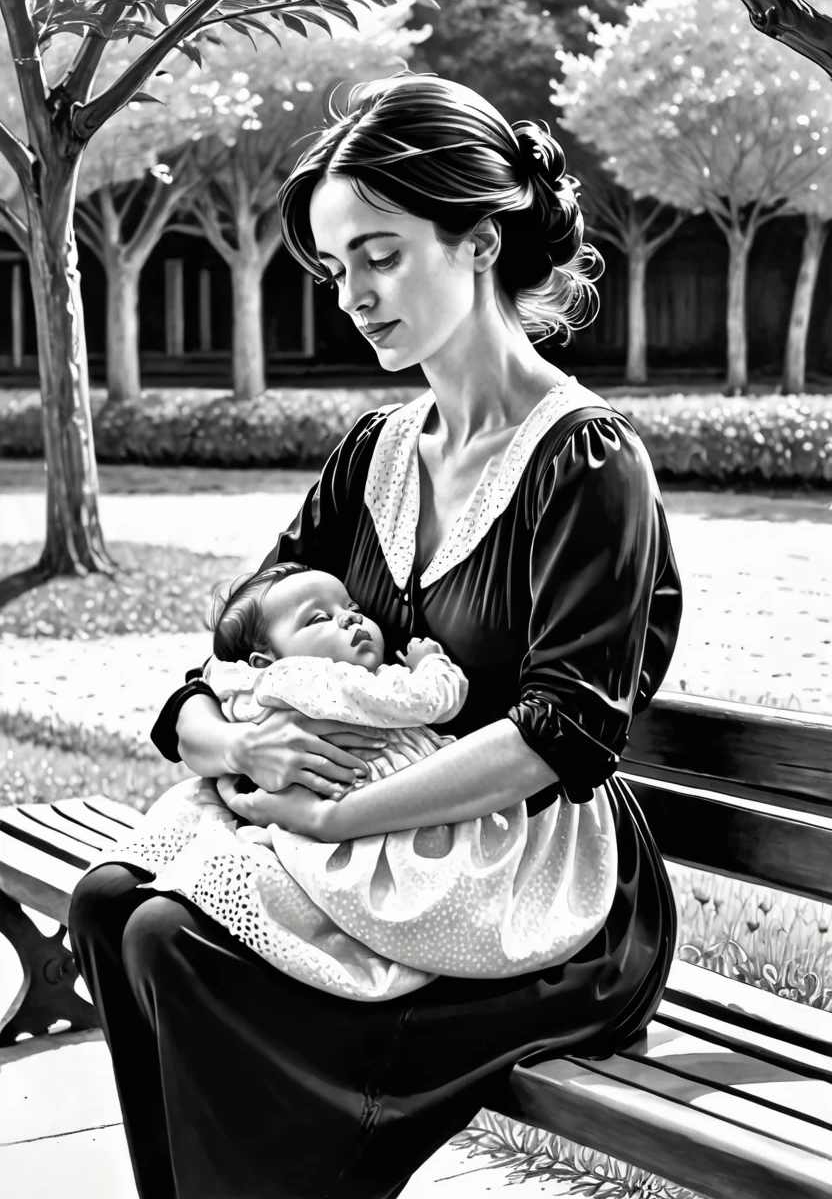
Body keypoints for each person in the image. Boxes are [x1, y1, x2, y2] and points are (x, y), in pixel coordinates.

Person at [68, 71, 683, 1199]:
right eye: (333, 264)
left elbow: (563, 740)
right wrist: (241, 748)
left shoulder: (589, 466)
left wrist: (333, 811)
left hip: (537, 886)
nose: (350, 292)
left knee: (175, 941)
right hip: (374, 856)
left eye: (380, 254)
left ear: (481, 239)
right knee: (111, 902)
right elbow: (224, 657)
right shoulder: (376, 452)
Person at [86, 561, 618, 999]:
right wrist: (431, 664)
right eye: (323, 617)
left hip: (378, 808)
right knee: (111, 905)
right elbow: (430, 699)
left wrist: (274, 775)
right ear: (263, 656)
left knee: (145, 921)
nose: (350, 620)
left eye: (354, 609)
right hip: (355, 813)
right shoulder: (345, 682)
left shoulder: (250, 680)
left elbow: (210, 675)